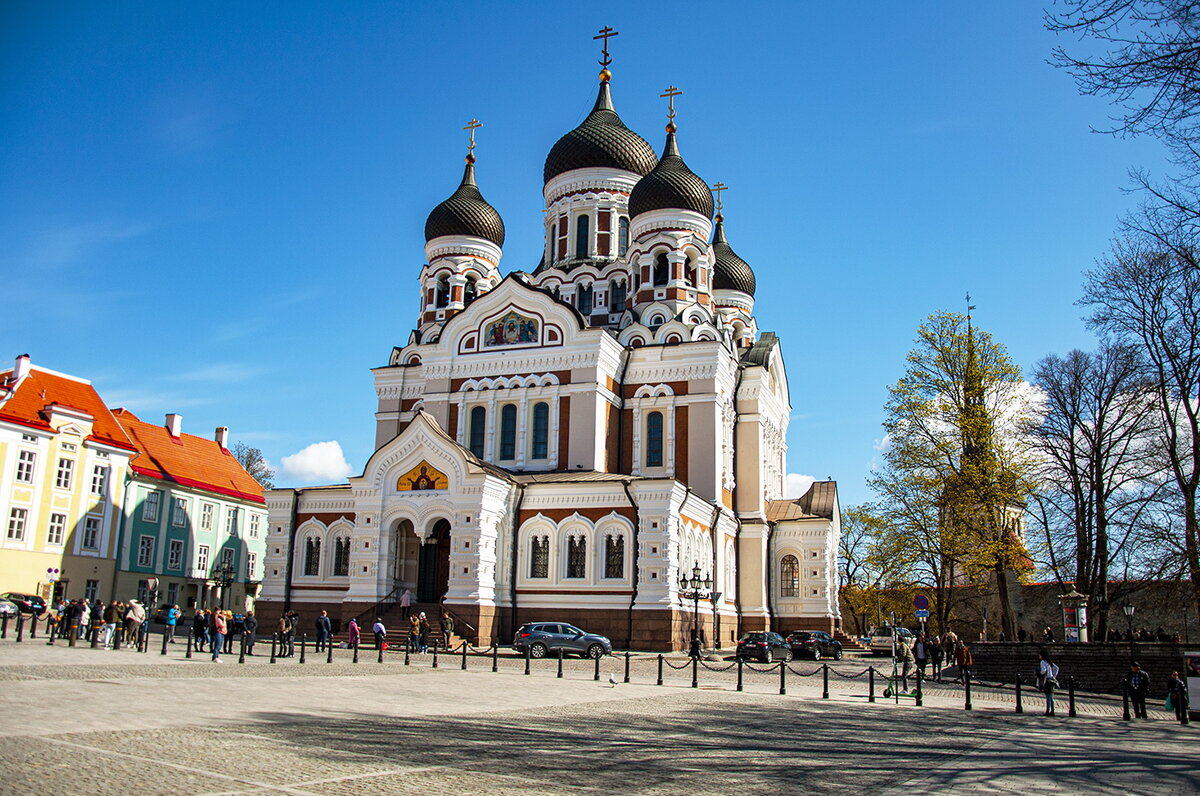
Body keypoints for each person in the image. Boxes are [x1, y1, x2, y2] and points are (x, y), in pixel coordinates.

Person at [1038, 650, 1060, 716]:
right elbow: (1056, 668)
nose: (1039, 656)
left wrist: (1040, 673)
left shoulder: (1042, 662)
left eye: (1039, 655)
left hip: (1047, 680)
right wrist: (1053, 675)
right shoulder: (1049, 662)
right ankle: (1052, 711)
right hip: (1051, 680)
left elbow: (1043, 671)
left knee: (1048, 696)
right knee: (1051, 696)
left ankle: (1047, 710)